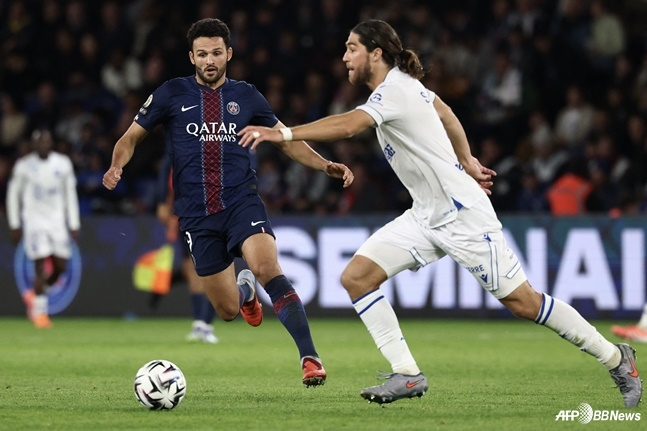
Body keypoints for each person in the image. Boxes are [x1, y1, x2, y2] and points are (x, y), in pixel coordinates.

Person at [238, 19, 642, 407]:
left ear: (375, 53)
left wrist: (283, 133)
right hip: (425, 215)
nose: (344, 57)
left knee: (524, 302)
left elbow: (348, 126)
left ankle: (615, 357)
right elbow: (445, 110)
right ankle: (407, 373)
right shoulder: (407, 86)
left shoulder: (394, 90)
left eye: (351, 48)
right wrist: (465, 158)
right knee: (356, 277)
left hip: (462, 215)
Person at [102, 18, 354, 386]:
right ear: (192, 57)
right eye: (202, 54)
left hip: (241, 202)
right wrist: (116, 165)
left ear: (229, 54)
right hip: (196, 215)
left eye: (216, 53)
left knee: (268, 268)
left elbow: (285, 139)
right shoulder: (171, 93)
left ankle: (309, 357)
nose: (210, 60)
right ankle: (245, 292)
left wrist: (323, 164)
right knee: (227, 310)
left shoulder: (247, 96)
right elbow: (130, 138)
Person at [6, 129, 80, 329]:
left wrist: (74, 222)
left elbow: (70, 193)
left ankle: (34, 294)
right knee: (39, 264)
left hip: (57, 221)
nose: (43, 145)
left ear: (51, 143)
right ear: (33, 145)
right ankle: (40, 312)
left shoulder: (62, 164)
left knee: (61, 267)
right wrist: (14, 224)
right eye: (39, 142)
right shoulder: (24, 166)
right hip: (34, 221)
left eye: (46, 141)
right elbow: (13, 195)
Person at [156, 154, 219, 344]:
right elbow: (170, 184)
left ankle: (207, 323)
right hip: (188, 217)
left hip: (215, 216)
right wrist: (166, 207)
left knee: (216, 270)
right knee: (192, 270)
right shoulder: (180, 153)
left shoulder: (216, 153)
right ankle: (200, 323)